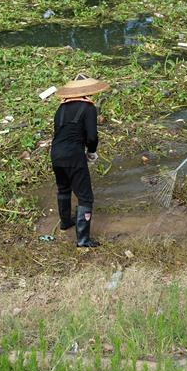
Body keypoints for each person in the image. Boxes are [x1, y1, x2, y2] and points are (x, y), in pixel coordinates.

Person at [50, 74, 108, 248]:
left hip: (56, 153)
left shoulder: (60, 109)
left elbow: (59, 133)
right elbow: (91, 136)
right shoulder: (88, 108)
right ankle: (83, 240)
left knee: (64, 189)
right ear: (87, 91)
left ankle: (65, 222)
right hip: (74, 154)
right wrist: (91, 152)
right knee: (85, 197)